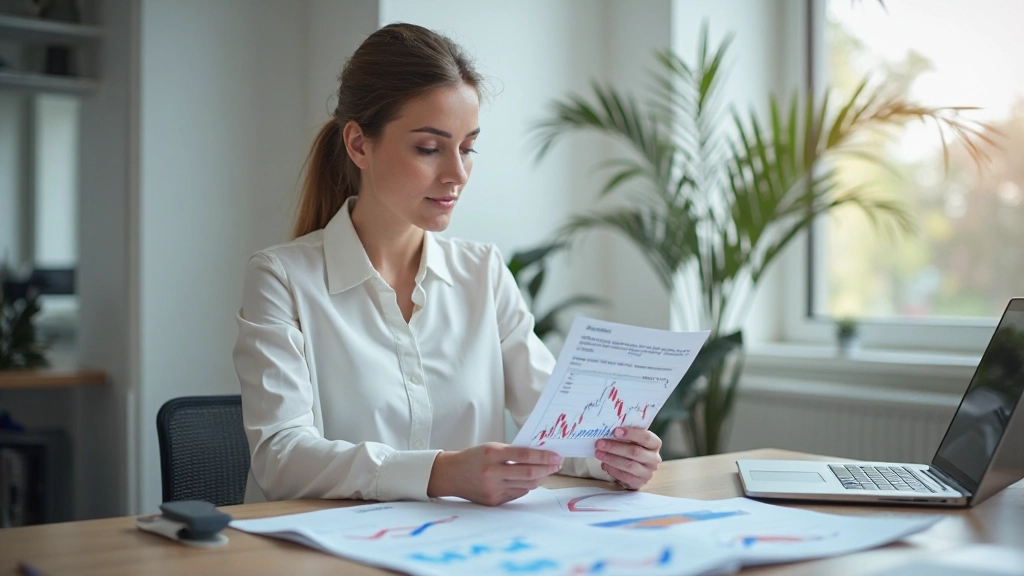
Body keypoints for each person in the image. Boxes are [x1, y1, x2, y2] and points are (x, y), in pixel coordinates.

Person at [232, 22, 663, 507]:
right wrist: (440, 473)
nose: (457, 174)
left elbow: (558, 420)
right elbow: (282, 457)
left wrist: (612, 454)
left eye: (468, 147)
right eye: (429, 148)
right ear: (358, 145)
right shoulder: (282, 279)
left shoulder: (483, 272)